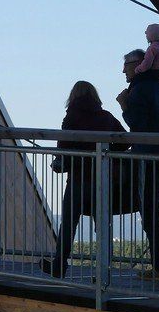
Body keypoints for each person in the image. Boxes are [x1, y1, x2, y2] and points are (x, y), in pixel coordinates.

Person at [41, 81, 131, 279]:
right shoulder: (106, 117)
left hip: (79, 178)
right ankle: (102, 271)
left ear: (73, 97)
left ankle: (59, 264)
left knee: (68, 222)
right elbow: (126, 141)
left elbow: (63, 146)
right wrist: (106, 153)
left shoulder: (72, 117)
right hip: (104, 179)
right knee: (102, 225)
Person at [118, 49, 159, 279]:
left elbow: (138, 125)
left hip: (147, 156)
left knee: (148, 209)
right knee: (150, 207)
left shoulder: (138, 90)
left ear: (139, 64)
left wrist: (125, 105)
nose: (123, 69)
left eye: (127, 64)